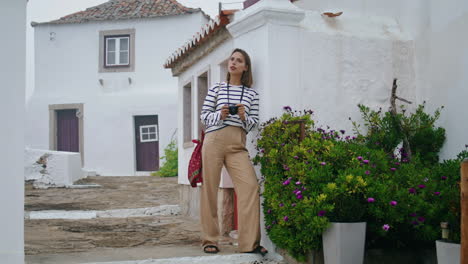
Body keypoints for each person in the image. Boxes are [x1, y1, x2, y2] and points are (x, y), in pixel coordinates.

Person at [199, 48, 267, 256]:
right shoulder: (217, 88)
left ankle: (249, 243)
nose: (234, 63)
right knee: (210, 189)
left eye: (239, 60)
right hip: (214, 140)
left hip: (238, 143)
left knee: (250, 187)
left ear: (245, 67)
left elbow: (254, 125)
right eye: (232, 59)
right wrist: (220, 114)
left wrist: (245, 116)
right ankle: (210, 239)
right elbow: (204, 117)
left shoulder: (252, 94)